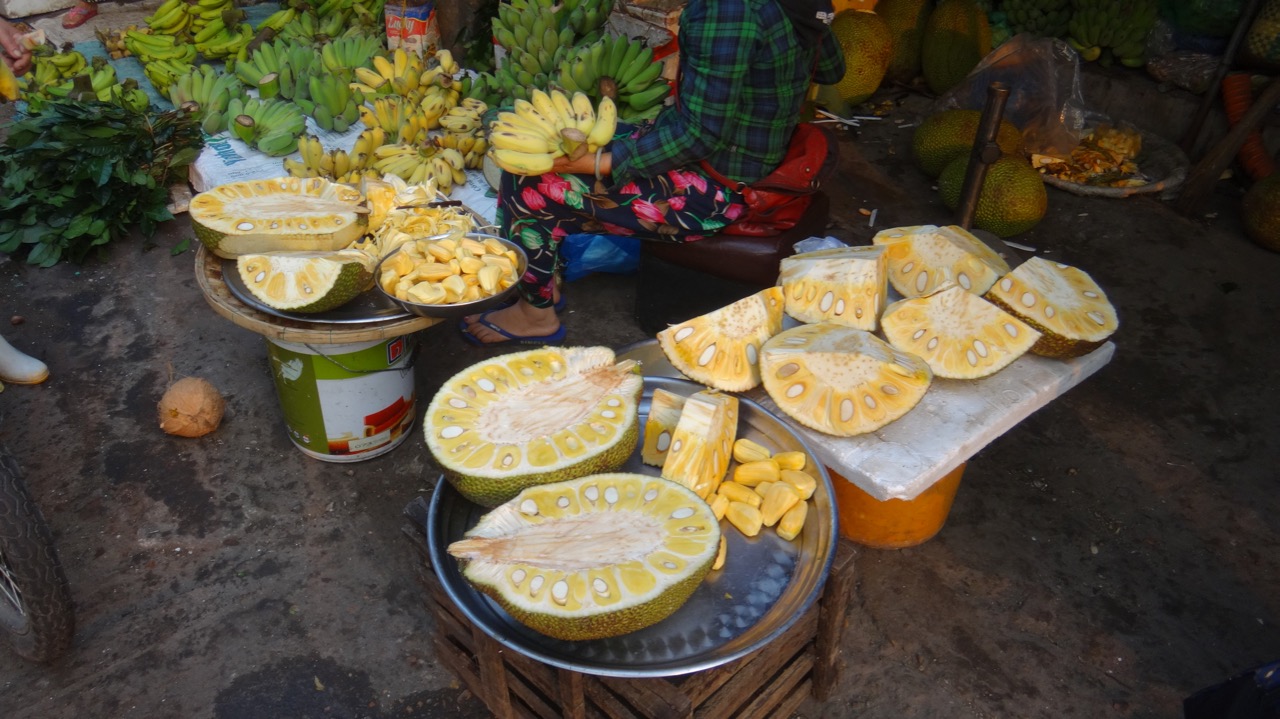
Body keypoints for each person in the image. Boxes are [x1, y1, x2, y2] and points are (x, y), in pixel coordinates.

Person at [462, 0, 845, 345]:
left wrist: (598, 164)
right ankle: (543, 282)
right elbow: (832, 68)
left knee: (529, 180)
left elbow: (700, 135)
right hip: (753, 160)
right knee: (562, 145)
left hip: (719, 190)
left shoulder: (727, 10)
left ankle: (536, 315)